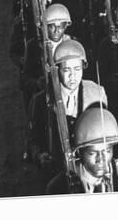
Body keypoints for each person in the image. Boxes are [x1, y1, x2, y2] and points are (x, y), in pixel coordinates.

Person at [29, 39, 107, 171]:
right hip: (58, 166)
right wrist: (40, 155)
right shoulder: (41, 100)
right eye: (66, 70)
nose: (73, 76)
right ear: (57, 71)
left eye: (77, 69)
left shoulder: (97, 93)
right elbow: (33, 140)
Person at [46, 107, 118, 194]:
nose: (101, 159)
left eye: (106, 151)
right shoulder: (59, 186)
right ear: (80, 152)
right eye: (92, 153)